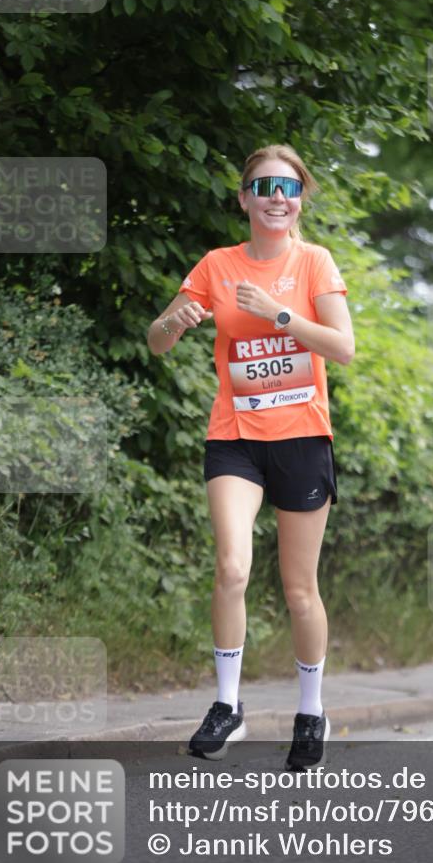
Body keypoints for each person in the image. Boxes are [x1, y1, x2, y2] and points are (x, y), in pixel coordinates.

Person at [147, 143, 354, 771]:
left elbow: (343, 347)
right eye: (264, 187)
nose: (275, 198)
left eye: (287, 188)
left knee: (299, 589)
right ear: (244, 199)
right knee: (232, 567)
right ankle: (227, 704)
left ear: (299, 202)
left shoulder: (314, 262)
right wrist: (176, 322)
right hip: (235, 436)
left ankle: (311, 712)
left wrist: (280, 314)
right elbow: (156, 342)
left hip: (302, 437)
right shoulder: (218, 264)